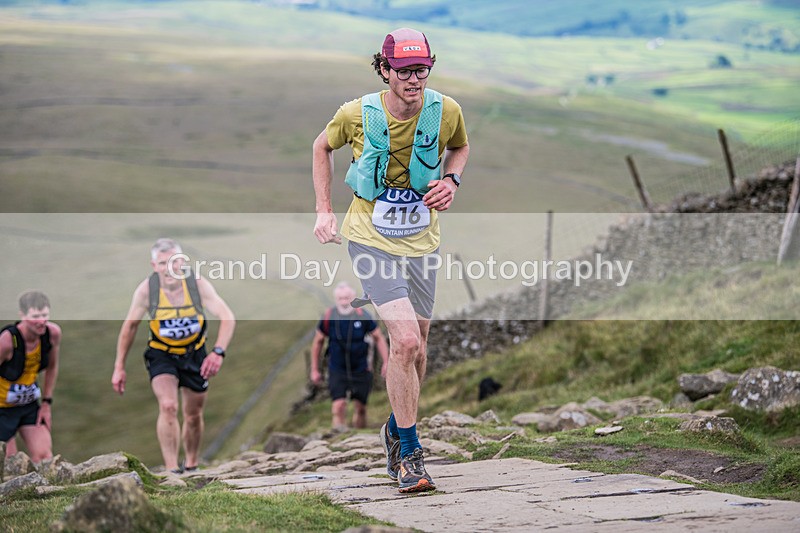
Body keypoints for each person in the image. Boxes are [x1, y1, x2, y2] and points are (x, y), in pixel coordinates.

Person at [312, 28, 469, 492]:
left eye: (421, 69)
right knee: (402, 341)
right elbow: (321, 146)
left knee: (418, 345)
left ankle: (395, 429)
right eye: (403, 71)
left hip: (422, 241)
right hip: (369, 237)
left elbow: (460, 147)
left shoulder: (447, 111)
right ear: (384, 69)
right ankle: (409, 453)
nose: (414, 80)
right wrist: (323, 210)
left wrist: (452, 181)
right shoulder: (356, 113)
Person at [112, 238, 235, 473]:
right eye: (162, 263)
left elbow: (227, 316)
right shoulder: (147, 291)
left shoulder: (197, 285)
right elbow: (130, 327)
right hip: (162, 354)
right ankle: (171, 471)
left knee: (193, 415)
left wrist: (218, 352)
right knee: (168, 406)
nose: (169, 268)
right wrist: (119, 366)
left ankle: (191, 464)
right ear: (153, 265)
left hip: (195, 353)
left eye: (174, 262)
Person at [310, 282, 389, 431]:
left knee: (361, 408)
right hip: (337, 368)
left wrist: (386, 362)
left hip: (361, 368)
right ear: (336, 299)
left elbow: (378, 338)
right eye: (340, 299)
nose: (344, 302)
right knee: (339, 406)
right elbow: (318, 342)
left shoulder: (364, 316)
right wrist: (315, 369)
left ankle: (359, 436)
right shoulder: (329, 317)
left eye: (347, 298)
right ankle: (338, 436)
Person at [0, 290, 61, 463]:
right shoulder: (7, 341)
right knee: (10, 463)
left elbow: (52, 366)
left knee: (46, 459)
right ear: (23, 315)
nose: (41, 321)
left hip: (29, 405)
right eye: (35, 316)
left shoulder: (52, 334)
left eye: (45, 315)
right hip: (2, 408)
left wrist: (46, 404)